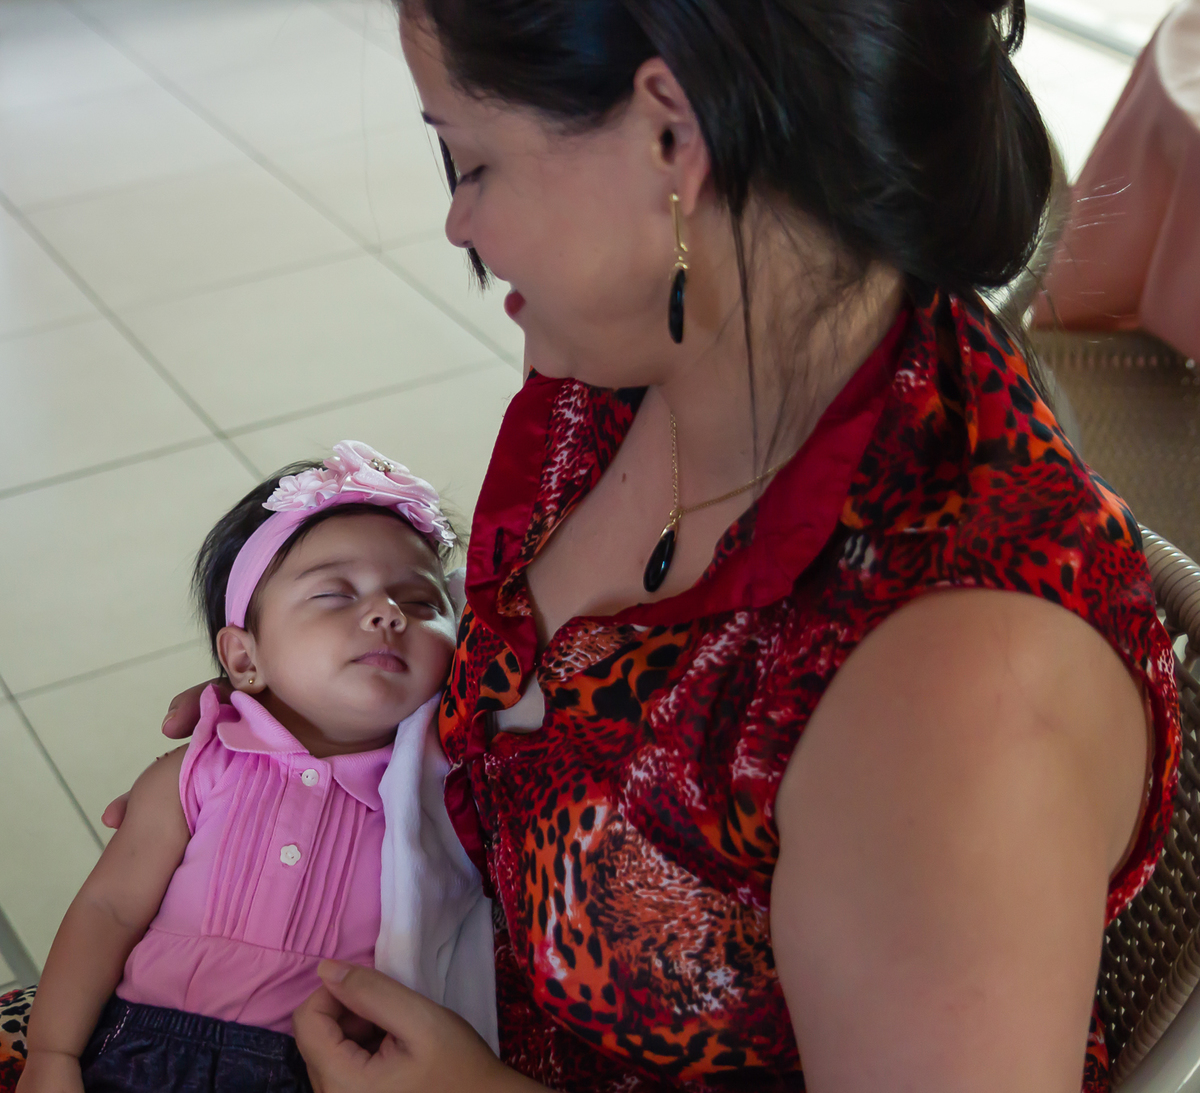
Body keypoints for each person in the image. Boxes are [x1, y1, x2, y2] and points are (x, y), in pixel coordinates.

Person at [5, 0, 1180, 1090]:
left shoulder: (959, 693)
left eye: (471, 159)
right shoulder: (633, 373)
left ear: (671, 138)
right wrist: (313, 723)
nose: (458, 220)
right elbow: (559, 716)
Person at [12, 442, 493, 1093]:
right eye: (334, 593)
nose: (387, 613)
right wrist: (53, 1052)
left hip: (319, 1070)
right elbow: (108, 907)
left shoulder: (436, 795)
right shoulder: (198, 769)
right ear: (243, 659)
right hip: (139, 1047)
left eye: (418, 600)